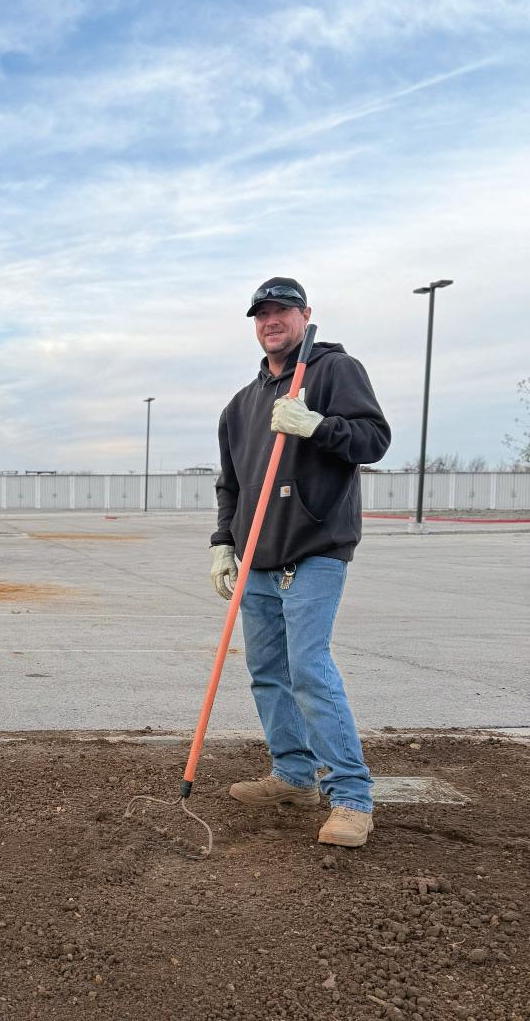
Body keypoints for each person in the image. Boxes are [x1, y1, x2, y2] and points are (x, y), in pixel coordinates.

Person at [210, 277, 391, 847]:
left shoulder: (334, 370)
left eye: (282, 311)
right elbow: (231, 485)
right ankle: (293, 776)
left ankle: (352, 797)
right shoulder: (241, 405)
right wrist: (223, 542)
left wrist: (316, 426)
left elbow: (374, 439)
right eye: (262, 313)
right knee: (267, 672)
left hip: (315, 550)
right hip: (257, 558)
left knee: (309, 667)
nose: (271, 321)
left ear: (305, 315)